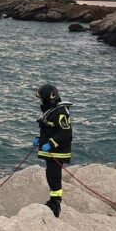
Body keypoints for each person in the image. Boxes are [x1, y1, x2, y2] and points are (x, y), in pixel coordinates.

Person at [33, 84, 73, 218]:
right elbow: (48, 130)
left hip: (58, 152)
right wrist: (39, 138)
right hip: (52, 152)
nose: (41, 101)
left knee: (54, 177)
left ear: (49, 99)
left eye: (42, 99)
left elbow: (66, 134)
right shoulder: (51, 111)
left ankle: (56, 205)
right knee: (50, 176)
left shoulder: (60, 113)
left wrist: (50, 144)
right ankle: (53, 200)